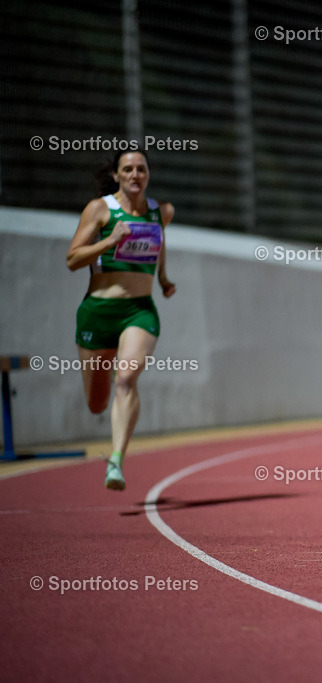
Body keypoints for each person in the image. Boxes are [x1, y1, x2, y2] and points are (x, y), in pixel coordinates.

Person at [66, 150, 175, 490]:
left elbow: (158, 242)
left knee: (126, 378)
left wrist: (163, 278)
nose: (135, 174)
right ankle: (110, 437)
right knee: (97, 403)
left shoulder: (162, 212)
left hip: (139, 310)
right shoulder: (100, 209)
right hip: (98, 312)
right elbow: (72, 258)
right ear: (116, 175)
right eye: (127, 169)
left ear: (148, 174)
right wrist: (110, 241)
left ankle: (115, 461)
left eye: (141, 169)